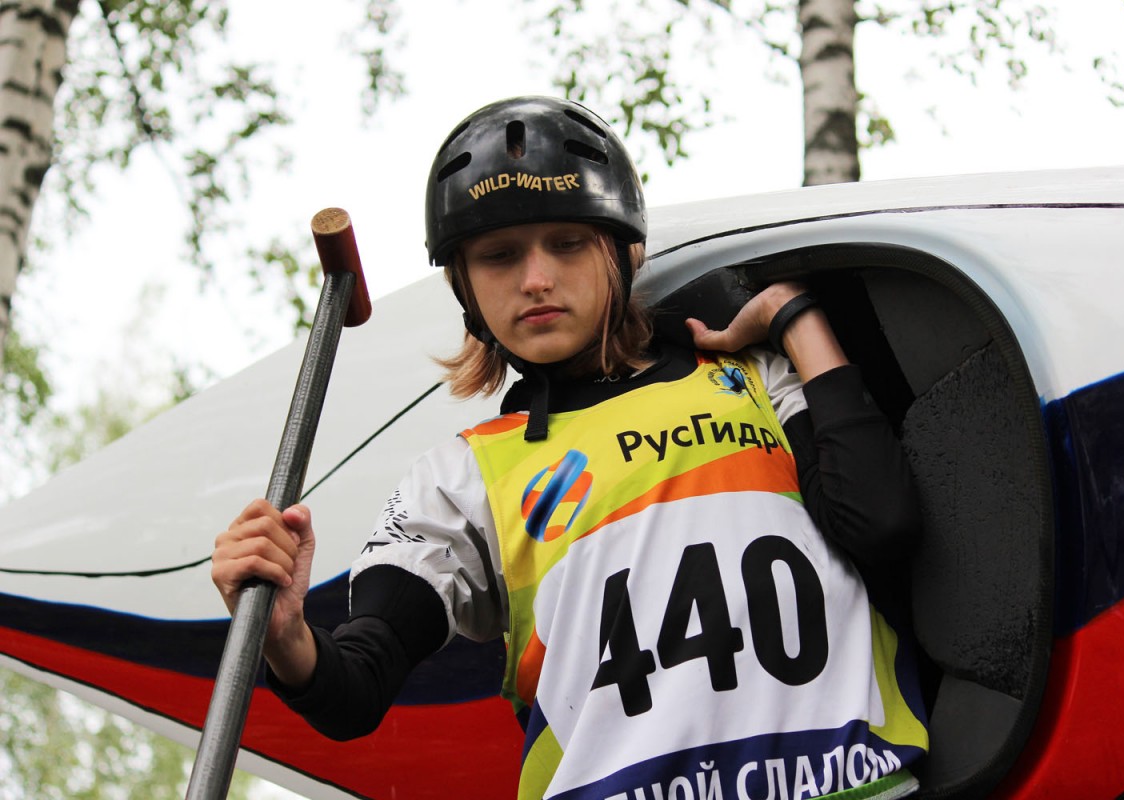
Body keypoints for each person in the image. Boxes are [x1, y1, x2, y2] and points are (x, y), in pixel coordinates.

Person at [212, 95, 929, 800]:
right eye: (498, 256)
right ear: (465, 287)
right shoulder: (461, 478)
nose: (535, 280)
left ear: (625, 252)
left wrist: (792, 315)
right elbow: (356, 687)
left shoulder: (755, 378)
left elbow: (883, 524)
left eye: (567, 243)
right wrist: (285, 635)